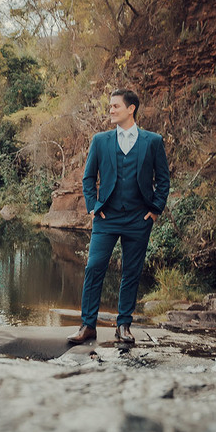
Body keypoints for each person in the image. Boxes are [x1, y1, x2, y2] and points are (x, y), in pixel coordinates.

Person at [67, 89, 170, 347]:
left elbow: (164, 180)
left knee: (131, 272)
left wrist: (155, 210)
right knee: (94, 267)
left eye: (115, 106)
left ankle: (123, 325)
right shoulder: (100, 140)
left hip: (139, 218)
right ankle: (88, 326)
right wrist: (93, 205)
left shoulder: (153, 141)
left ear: (131, 108)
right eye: (110, 106)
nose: (110, 110)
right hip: (106, 217)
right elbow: (88, 178)